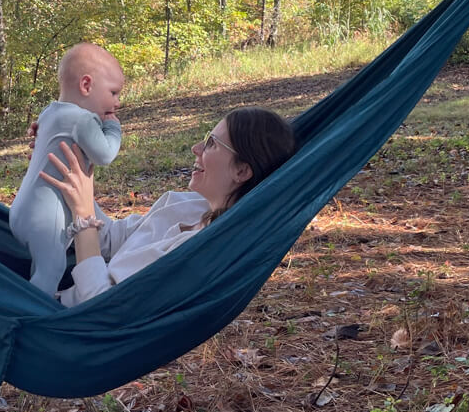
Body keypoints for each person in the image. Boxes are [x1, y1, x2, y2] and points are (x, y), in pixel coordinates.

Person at [39, 106, 297, 307]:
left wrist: (84, 214)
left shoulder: (200, 250)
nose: (196, 148)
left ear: (241, 171)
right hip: (51, 294)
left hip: (63, 323)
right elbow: (109, 238)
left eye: (211, 144)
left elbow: (99, 302)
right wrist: (63, 163)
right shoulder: (184, 204)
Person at [10, 43, 126, 295]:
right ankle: (35, 313)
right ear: (86, 85)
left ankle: (32, 298)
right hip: (46, 219)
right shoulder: (83, 119)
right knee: (51, 268)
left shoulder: (49, 112)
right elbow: (105, 154)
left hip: (22, 212)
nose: (117, 102)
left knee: (43, 265)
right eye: (114, 93)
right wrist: (113, 128)